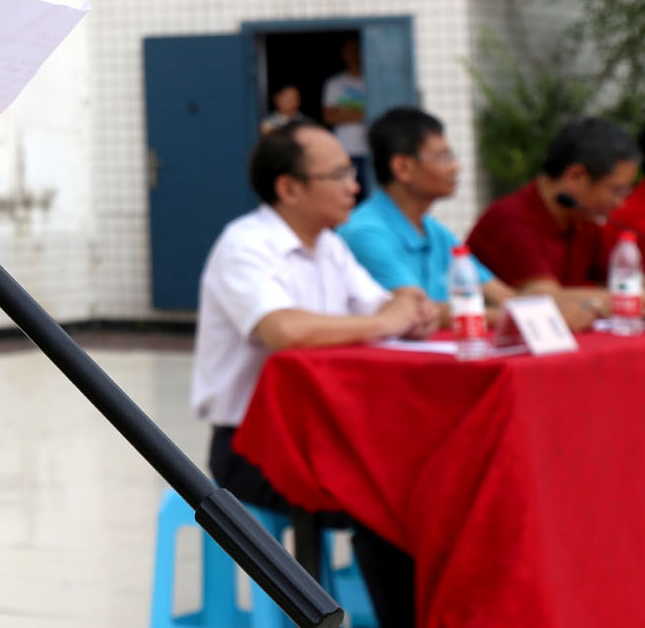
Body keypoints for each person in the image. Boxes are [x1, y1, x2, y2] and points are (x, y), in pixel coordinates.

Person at [192, 121, 434, 628]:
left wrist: (407, 306)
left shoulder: (331, 246)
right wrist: (384, 318)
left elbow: (380, 306)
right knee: (387, 505)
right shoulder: (246, 245)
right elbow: (282, 329)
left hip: (326, 437)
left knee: (432, 483)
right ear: (289, 187)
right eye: (340, 173)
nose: (355, 186)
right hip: (252, 448)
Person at [338, 107, 517, 314]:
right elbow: (418, 313)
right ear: (403, 168)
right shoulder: (365, 232)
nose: (456, 167)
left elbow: (505, 298)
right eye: (443, 157)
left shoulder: (433, 230)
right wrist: (502, 314)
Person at [465, 117, 638, 325]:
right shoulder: (510, 219)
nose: (620, 204)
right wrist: (621, 300)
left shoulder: (583, 219)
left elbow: (616, 281)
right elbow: (543, 299)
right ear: (575, 176)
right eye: (616, 191)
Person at [321, 36, 369, 183]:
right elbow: (329, 116)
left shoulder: (374, 79)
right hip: (345, 150)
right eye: (349, 51)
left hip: (371, 149)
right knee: (349, 192)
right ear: (343, 54)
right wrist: (365, 113)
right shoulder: (335, 83)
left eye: (356, 50)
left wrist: (345, 113)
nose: (354, 54)